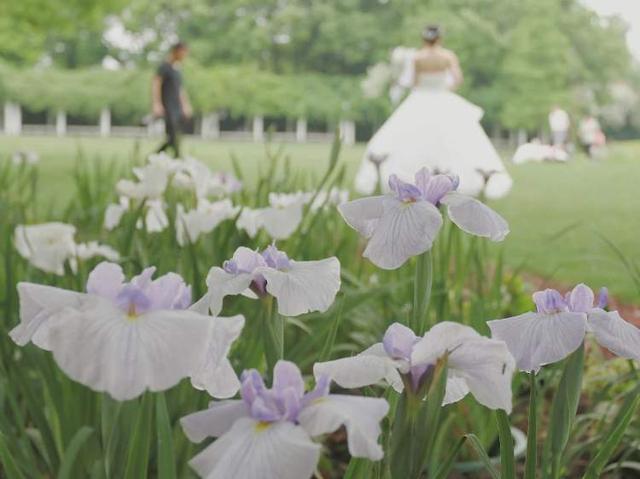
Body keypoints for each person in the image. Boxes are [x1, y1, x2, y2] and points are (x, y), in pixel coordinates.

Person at [355, 25, 512, 199]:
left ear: (424, 39)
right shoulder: (447, 56)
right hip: (442, 96)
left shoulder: (417, 58)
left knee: (410, 136)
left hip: (420, 97)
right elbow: (458, 79)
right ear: (439, 38)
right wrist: (445, 88)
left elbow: (415, 81)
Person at [152, 41, 193, 158]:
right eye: (184, 53)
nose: (185, 56)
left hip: (177, 108)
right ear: (177, 51)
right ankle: (176, 158)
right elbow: (156, 83)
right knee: (173, 136)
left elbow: (180, 89)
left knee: (174, 137)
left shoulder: (177, 69)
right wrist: (156, 103)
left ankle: (155, 157)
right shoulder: (164, 67)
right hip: (168, 107)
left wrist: (186, 105)